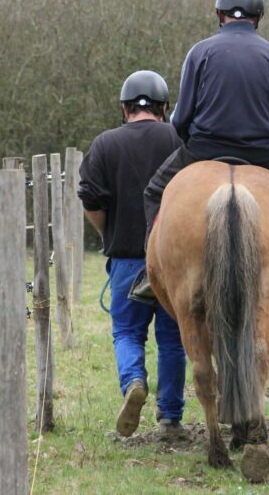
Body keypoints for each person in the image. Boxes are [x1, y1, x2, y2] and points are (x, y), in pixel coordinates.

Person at [141, 0, 269, 312]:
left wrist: (193, 142)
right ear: (258, 16)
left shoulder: (200, 52)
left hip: (204, 150)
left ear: (220, 14)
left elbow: (179, 119)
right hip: (264, 155)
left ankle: (153, 273)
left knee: (154, 192)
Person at [77, 70, 187, 439]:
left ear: (124, 108)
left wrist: (108, 232)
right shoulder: (182, 139)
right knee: (173, 338)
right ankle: (170, 419)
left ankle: (134, 382)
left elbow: (91, 199)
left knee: (127, 331)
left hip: (126, 258)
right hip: (175, 260)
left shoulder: (105, 144)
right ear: (165, 108)